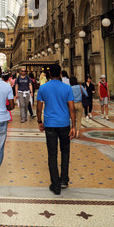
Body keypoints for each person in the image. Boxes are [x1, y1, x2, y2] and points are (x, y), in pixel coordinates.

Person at [36, 63, 76, 195]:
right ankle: (64, 179)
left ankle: (56, 185)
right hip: (64, 124)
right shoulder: (67, 88)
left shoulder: (43, 88)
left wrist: (39, 121)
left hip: (50, 124)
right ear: (60, 74)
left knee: (52, 154)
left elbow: (39, 106)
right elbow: (71, 108)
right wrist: (74, 126)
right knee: (65, 151)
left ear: (48, 74)